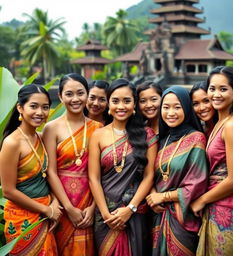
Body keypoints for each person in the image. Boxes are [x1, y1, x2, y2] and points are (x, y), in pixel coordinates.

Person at [191, 66, 233, 255]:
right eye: (212, 88)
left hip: (231, 208)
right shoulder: (220, 123)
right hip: (219, 204)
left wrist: (201, 200)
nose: (216, 94)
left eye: (223, 89)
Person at [88, 78, 157, 256]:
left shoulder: (146, 134)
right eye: (115, 101)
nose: (121, 106)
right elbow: (94, 178)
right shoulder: (98, 135)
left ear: (134, 104)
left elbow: (149, 176)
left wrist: (130, 209)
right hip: (105, 214)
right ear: (109, 104)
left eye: (127, 101)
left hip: (134, 212)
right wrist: (105, 215)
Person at [42, 73, 102, 255]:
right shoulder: (51, 128)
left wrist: (94, 208)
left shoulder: (99, 129)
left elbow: (102, 174)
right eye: (69, 94)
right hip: (62, 203)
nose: (75, 99)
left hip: (90, 203)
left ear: (87, 94)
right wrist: (68, 208)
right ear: (60, 97)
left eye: (80, 93)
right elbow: (50, 171)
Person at [146, 85, 208, 256]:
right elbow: (150, 174)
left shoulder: (196, 139)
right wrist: (152, 195)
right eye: (166, 107)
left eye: (177, 107)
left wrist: (163, 196)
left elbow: (198, 184)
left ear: (187, 109)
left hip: (183, 218)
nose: (170, 113)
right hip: (158, 216)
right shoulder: (161, 140)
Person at [0, 84, 61, 255]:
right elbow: (8, 191)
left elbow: (49, 175)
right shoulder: (12, 143)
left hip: (46, 213)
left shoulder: (40, 138)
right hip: (22, 219)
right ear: (20, 107)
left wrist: (54, 202)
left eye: (45, 107)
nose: (40, 112)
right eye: (33, 106)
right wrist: (46, 210)